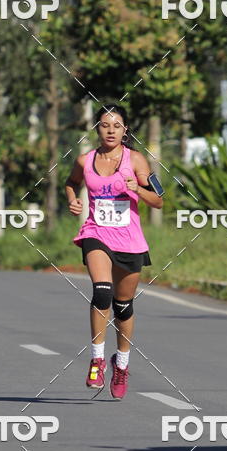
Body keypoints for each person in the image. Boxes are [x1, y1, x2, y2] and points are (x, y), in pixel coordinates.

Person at [65, 104, 163, 399]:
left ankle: (121, 363)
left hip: (130, 240)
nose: (110, 130)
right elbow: (71, 183)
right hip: (96, 233)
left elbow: (158, 200)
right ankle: (96, 359)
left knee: (122, 307)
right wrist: (73, 200)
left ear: (125, 130)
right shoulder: (85, 160)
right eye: (105, 125)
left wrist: (137, 189)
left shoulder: (136, 161)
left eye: (116, 125)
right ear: (97, 128)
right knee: (102, 291)